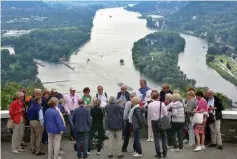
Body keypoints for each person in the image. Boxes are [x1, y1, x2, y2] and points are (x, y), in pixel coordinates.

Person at [148, 92, 168, 158]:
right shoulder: (161, 103)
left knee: (156, 138)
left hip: (154, 121)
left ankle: (158, 154)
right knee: (164, 137)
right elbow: (166, 113)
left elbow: (149, 115)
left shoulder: (150, 104)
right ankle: (164, 153)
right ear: (158, 97)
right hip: (162, 120)